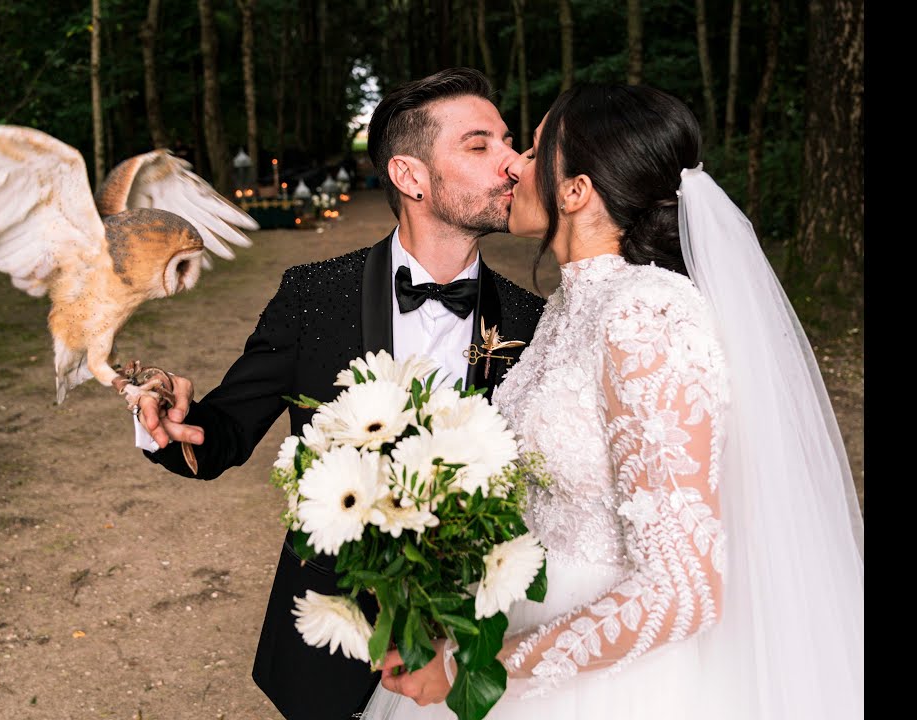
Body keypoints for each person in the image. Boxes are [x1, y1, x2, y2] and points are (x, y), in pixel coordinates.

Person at [363, 83, 864, 719]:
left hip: (614, 681)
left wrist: (478, 668)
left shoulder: (645, 316)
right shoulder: (568, 308)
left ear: (576, 191)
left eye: (534, 150)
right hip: (521, 607)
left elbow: (684, 589)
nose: (513, 166)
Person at [130, 67, 547, 719]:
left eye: (509, 142)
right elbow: (223, 436)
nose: (512, 163)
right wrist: (170, 422)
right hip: (333, 648)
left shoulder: (533, 320)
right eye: (480, 145)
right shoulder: (313, 296)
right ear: (410, 176)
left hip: (472, 647)